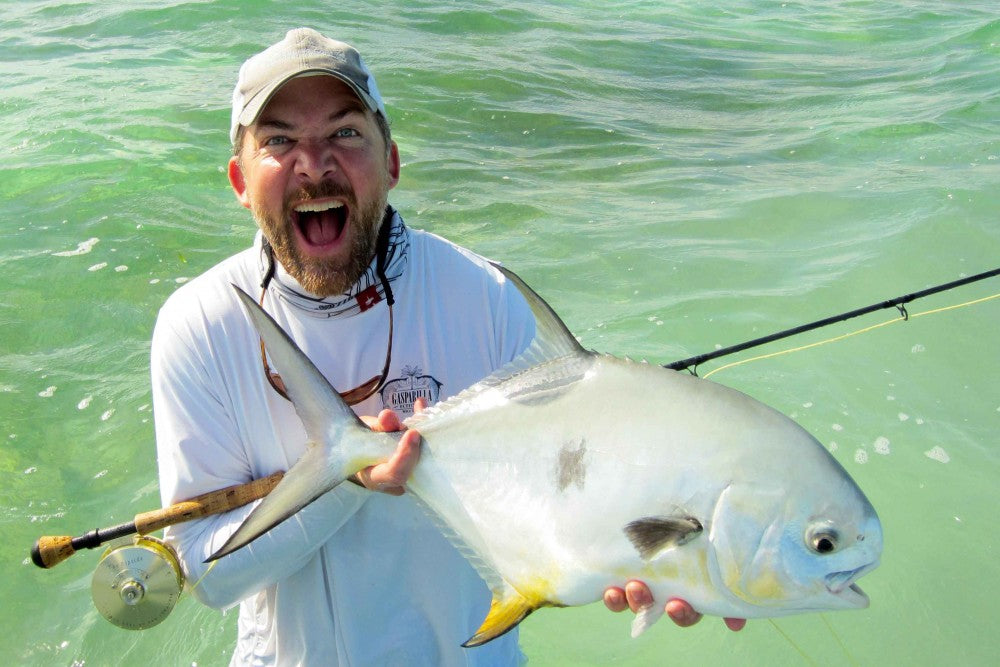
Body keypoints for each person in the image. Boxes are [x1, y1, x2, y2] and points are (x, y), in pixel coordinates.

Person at [152, 27, 741, 666]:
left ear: (393, 162)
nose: (314, 164)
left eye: (346, 133)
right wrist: (351, 477)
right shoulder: (202, 325)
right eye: (280, 140)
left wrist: (677, 561)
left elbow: (564, 489)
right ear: (240, 180)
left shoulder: (484, 297)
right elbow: (212, 578)